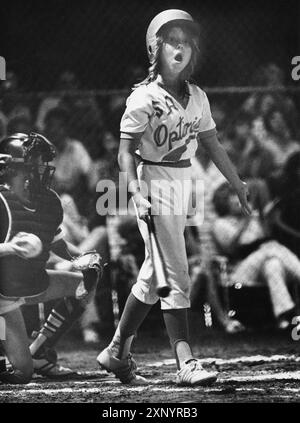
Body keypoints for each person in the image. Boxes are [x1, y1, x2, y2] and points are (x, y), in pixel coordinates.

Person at [97, 9, 250, 387]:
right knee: (174, 272)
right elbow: (124, 153)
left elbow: (212, 143)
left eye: (185, 41)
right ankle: (185, 360)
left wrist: (238, 182)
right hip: (154, 183)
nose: (180, 47)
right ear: (156, 47)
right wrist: (135, 192)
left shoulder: (197, 96)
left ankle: (117, 352)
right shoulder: (143, 98)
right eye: (171, 41)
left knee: (153, 276)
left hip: (183, 185)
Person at [0, 132, 102, 384]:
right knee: (17, 371)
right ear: (13, 168)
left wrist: (82, 258)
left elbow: (55, 242)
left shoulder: (48, 200)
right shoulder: (1, 201)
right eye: (35, 162)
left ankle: (39, 351)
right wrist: (10, 248)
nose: (42, 168)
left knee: (84, 282)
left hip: (20, 287)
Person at [212, 182, 300, 330]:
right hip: (240, 270)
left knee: (273, 264)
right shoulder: (220, 224)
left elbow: (264, 237)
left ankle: (284, 317)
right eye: (233, 196)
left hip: (261, 264)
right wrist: (246, 221)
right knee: (271, 247)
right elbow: (232, 248)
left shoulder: (254, 219)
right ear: (224, 201)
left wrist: (264, 220)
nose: (238, 200)